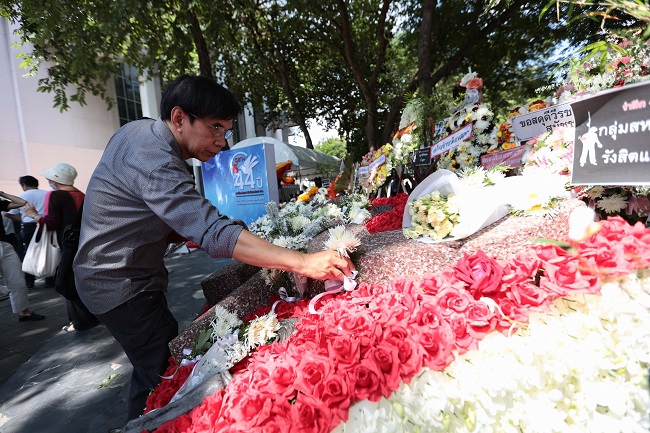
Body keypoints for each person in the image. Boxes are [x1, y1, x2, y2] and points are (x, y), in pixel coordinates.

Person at [74, 74, 355, 420]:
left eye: (227, 131)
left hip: (115, 273)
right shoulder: (153, 155)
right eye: (215, 128)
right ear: (179, 118)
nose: (221, 142)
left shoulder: (138, 133)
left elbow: (149, 212)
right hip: (120, 284)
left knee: (155, 365)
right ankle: (147, 424)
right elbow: (212, 231)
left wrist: (197, 230)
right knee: (160, 377)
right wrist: (304, 262)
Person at [23, 163, 100, 332]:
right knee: (84, 280)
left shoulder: (54, 195)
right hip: (85, 243)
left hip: (66, 245)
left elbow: (52, 223)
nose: (49, 181)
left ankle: (80, 321)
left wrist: (34, 215)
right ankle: (93, 315)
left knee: (67, 282)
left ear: (55, 180)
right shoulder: (82, 194)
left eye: (50, 179)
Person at [0, 191, 46, 322]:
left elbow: (21, 203)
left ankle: (24, 312)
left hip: (5, 245)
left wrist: (2, 193)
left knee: (18, 281)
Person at [5, 175, 49, 288]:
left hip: (29, 226)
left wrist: (23, 219)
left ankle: (30, 281)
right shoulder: (47, 194)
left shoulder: (21, 196)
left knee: (29, 252)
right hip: (46, 224)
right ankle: (50, 279)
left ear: (24, 185)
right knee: (47, 250)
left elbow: (8, 214)